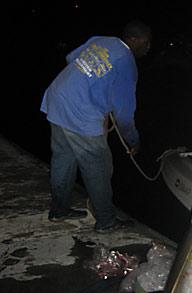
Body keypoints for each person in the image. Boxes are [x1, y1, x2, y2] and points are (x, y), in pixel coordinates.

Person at [41, 20, 151, 233]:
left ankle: (59, 209)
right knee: (99, 168)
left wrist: (90, 89)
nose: (148, 48)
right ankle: (106, 221)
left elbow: (71, 58)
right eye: (147, 43)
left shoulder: (103, 40)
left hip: (58, 98)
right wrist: (133, 141)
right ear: (135, 40)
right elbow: (124, 116)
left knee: (63, 159)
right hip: (80, 115)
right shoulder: (127, 64)